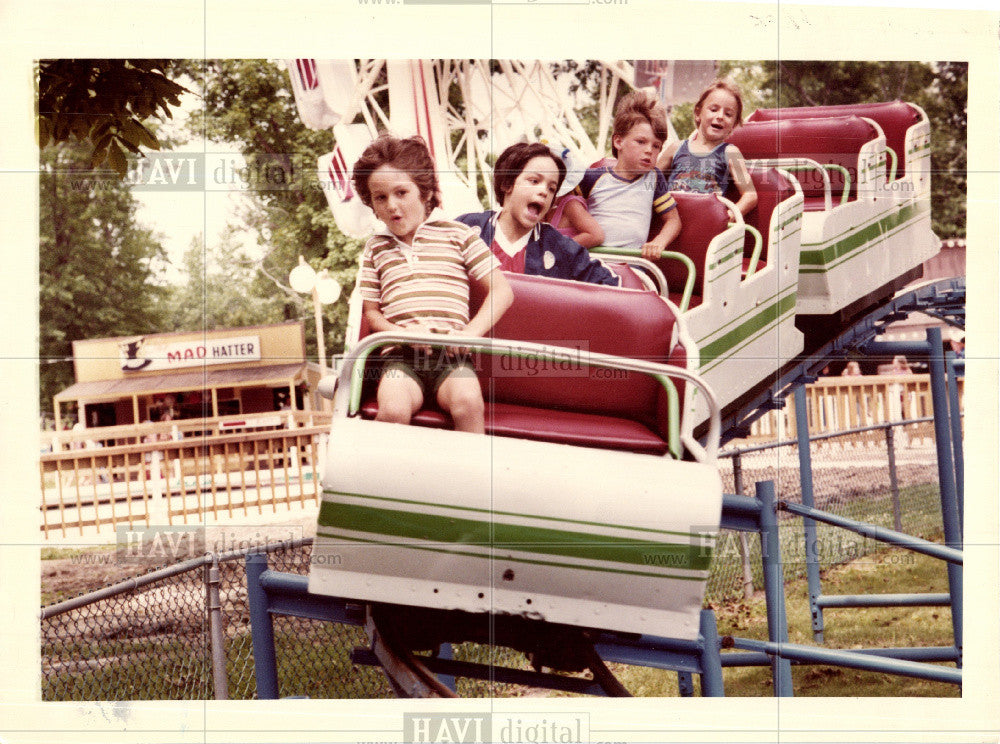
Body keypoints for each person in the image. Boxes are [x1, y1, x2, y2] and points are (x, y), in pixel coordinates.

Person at [353, 134, 514, 434]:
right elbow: (372, 314)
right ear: (372, 204)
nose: (392, 206)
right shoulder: (375, 248)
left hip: (451, 354)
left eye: (402, 192)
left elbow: (502, 292)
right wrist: (403, 332)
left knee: (468, 402)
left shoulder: (459, 234)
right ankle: (386, 478)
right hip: (400, 356)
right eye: (381, 197)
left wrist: (467, 335)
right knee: (393, 409)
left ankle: (473, 478)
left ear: (425, 193)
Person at [455, 142, 619, 286]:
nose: (544, 192)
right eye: (534, 181)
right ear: (507, 184)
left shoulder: (559, 246)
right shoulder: (467, 228)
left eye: (551, 188)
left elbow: (610, 283)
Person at [574, 91, 681, 260]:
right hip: (590, 259)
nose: (649, 150)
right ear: (618, 142)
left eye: (656, 146)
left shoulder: (653, 179)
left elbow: (673, 220)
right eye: (641, 142)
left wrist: (659, 242)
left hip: (630, 263)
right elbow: (564, 205)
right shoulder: (592, 177)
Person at [657, 80, 758, 216]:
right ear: (698, 113)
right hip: (672, 219)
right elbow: (650, 179)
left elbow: (750, 196)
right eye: (714, 109)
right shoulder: (676, 148)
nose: (720, 116)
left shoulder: (730, 152)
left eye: (728, 114)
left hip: (706, 222)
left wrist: (729, 216)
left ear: (733, 125)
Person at [542, 145, 605, 249]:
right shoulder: (546, 206)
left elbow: (596, 235)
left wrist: (557, 249)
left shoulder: (571, 205)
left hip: (566, 261)